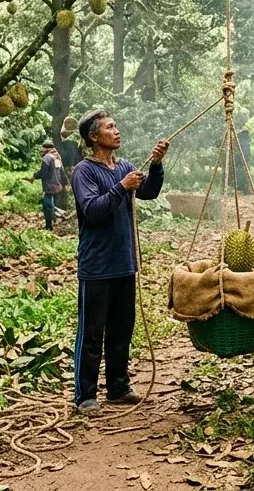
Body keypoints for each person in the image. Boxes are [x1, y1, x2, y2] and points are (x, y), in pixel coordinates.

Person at [71, 110, 168, 415]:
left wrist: (156, 165)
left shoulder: (124, 167)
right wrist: (121, 187)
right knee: (92, 332)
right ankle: (85, 395)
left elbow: (149, 192)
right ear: (94, 137)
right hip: (97, 266)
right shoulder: (84, 172)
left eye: (115, 126)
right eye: (109, 128)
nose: (117, 131)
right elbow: (93, 210)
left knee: (121, 329)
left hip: (124, 263)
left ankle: (118, 387)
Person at [33, 139, 65, 230]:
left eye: (43, 148)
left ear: (46, 148)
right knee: (51, 204)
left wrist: (34, 175)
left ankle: (49, 226)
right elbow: (62, 170)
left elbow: (43, 173)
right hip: (57, 185)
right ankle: (54, 220)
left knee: (47, 206)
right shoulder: (57, 156)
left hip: (49, 186)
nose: (42, 149)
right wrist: (65, 182)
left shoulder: (47, 157)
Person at [234, 128, 251, 194]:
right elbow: (246, 153)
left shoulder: (241, 141)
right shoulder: (244, 142)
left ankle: (243, 189)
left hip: (241, 161)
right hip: (242, 161)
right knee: (243, 175)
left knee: (242, 175)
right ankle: (244, 190)